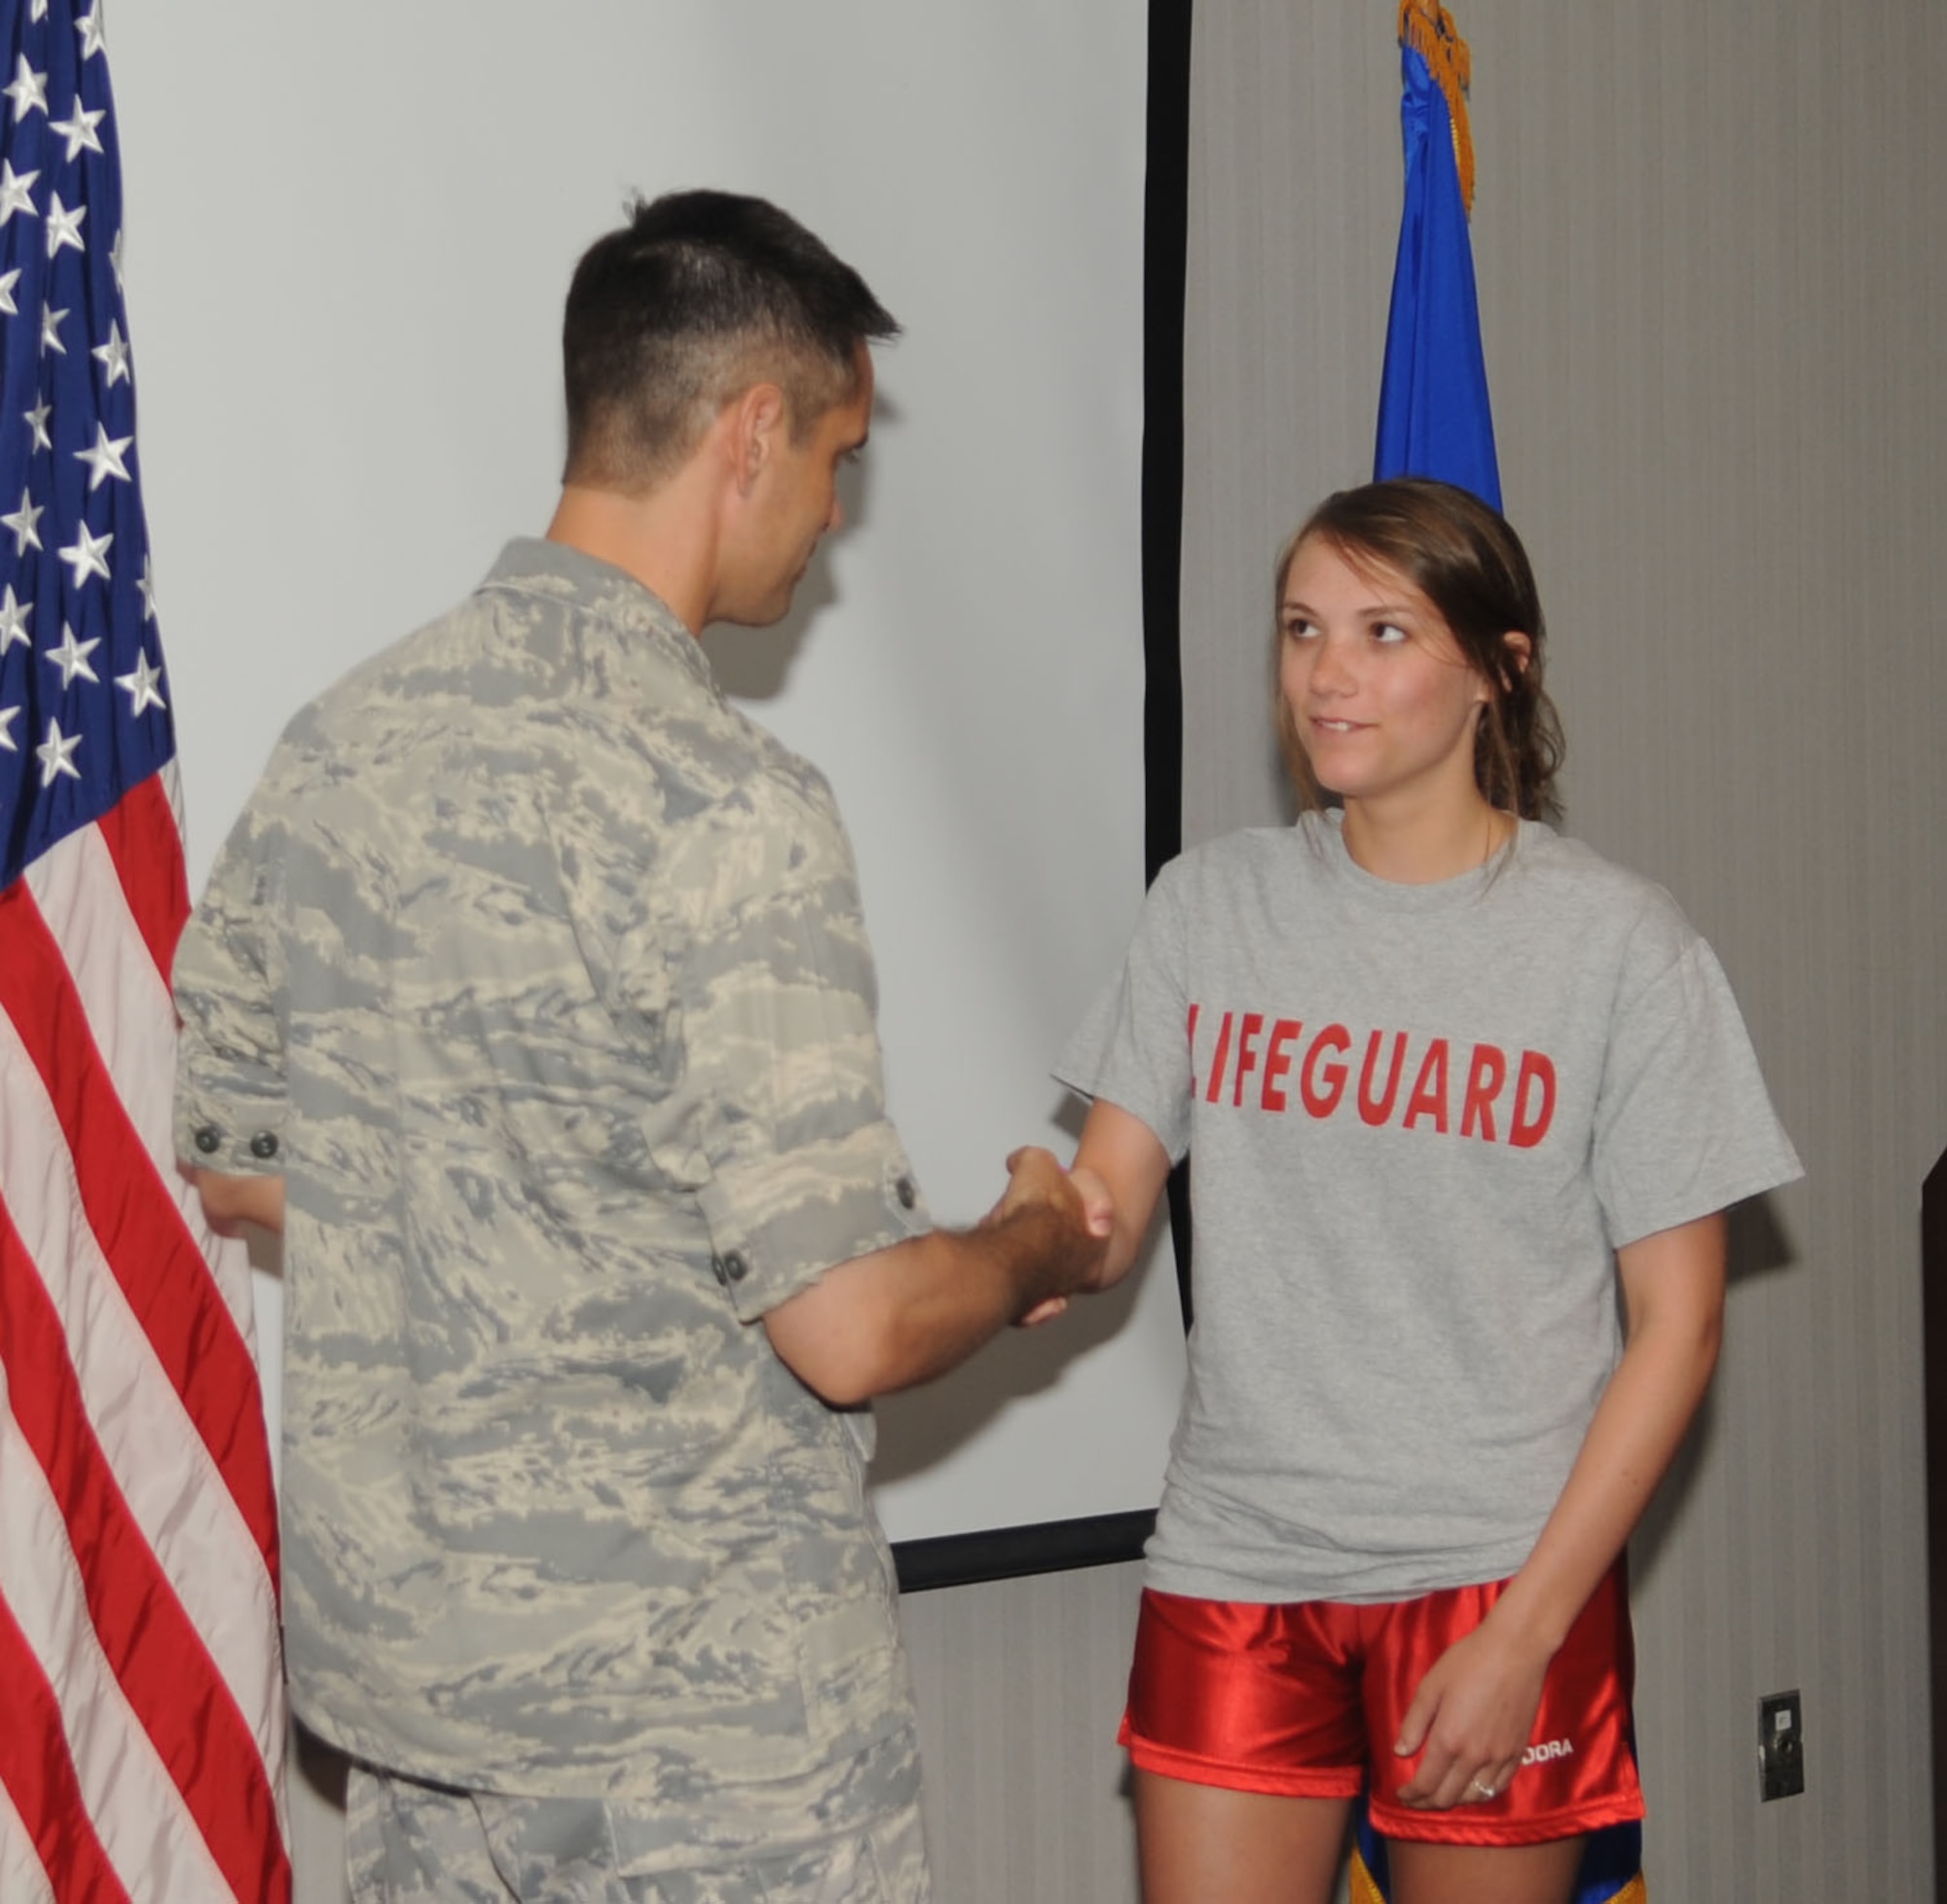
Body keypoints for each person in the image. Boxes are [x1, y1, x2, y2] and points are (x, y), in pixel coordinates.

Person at [172, 189, 1108, 1904]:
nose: (836, 513)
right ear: (751, 429)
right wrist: (1033, 1241)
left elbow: (239, 1163)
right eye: (838, 453)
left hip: (422, 1721)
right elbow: (845, 1328)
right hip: (704, 1744)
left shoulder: (341, 746)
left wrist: (493, 1231)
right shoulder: (721, 803)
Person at [1055, 478, 1801, 1904]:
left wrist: (1525, 1635)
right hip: (1235, 1562)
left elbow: (1680, 1328)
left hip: (1496, 1577)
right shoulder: (1208, 907)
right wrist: (1016, 1237)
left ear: (1495, 670)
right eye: (1301, 628)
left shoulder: (1619, 947)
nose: (1328, 673)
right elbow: (1105, 1208)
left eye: (1383, 631)